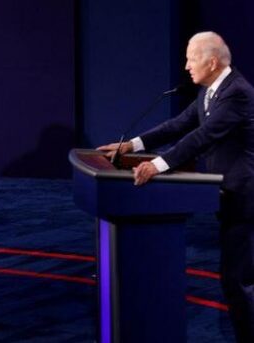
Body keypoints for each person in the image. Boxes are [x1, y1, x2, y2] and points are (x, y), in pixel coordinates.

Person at [98, 31, 254, 342]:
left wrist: (156, 165)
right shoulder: (211, 90)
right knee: (234, 280)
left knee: (239, 281)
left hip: (246, 196)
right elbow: (180, 124)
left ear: (211, 62)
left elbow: (202, 137)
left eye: (191, 58)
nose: (186, 66)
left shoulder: (238, 93)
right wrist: (133, 145)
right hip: (229, 196)